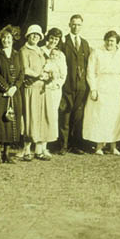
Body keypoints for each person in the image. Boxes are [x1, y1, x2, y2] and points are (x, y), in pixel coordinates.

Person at [83, 30, 120, 155]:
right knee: (100, 116)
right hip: (102, 87)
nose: (109, 43)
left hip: (118, 88)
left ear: (117, 41)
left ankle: (113, 146)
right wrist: (93, 88)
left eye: (112, 40)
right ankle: (99, 146)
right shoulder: (97, 52)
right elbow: (90, 71)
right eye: (107, 40)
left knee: (116, 117)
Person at [0, 25, 24, 164]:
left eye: (8, 38)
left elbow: (21, 73)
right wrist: (6, 89)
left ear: (13, 39)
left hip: (14, 93)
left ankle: (7, 154)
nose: (6, 40)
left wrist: (15, 87)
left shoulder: (17, 54)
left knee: (10, 123)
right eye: (4, 38)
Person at [58, 14, 91, 155]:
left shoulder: (84, 43)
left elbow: (88, 64)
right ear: (69, 25)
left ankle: (76, 144)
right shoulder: (63, 42)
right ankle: (63, 146)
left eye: (78, 25)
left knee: (78, 117)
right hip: (67, 86)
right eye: (74, 24)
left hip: (81, 87)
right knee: (65, 116)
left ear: (81, 26)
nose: (76, 27)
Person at [19, 24, 50, 161]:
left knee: (39, 118)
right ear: (28, 36)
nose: (35, 37)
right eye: (33, 34)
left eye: (37, 35)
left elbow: (46, 67)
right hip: (30, 88)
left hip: (41, 89)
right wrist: (38, 75)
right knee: (30, 117)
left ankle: (38, 150)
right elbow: (25, 69)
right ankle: (26, 150)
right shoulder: (24, 50)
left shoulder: (41, 51)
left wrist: (47, 76)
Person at [39, 27, 67, 158]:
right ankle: (37, 145)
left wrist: (57, 84)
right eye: (51, 38)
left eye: (56, 39)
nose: (53, 41)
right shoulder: (41, 51)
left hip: (55, 90)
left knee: (51, 116)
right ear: (47, 37)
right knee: (40, 115)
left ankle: (45, 146)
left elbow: (63, 73)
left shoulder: (61, 55)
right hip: (41, 88)